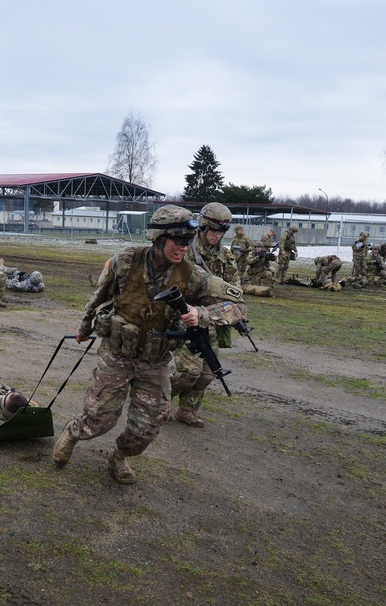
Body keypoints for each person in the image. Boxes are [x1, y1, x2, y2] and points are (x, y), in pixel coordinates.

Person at [52, 205, 246, 484]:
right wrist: (84, 328)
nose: (183, 248)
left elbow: (238, 305)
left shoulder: (193, 275)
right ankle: (73, 432)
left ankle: (119, 457)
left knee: (149, 426)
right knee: (99, 419)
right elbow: (98, 297)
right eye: (177, 241)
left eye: (187, 242)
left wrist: (201, 314)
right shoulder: (124, 262)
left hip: (155, 361)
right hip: (117, 354)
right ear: (158, 238)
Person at [170, 202, 241, 427]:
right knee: (187, 372)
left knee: (208, 372)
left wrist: (218, 312)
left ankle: (187, 410)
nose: (216, 236)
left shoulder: (226, 257)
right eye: (213, 230)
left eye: (221, 231)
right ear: (202, 227)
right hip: (184, 318)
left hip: (211, 319)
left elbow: (234, 292)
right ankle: (155, 403)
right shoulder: (185, 249)